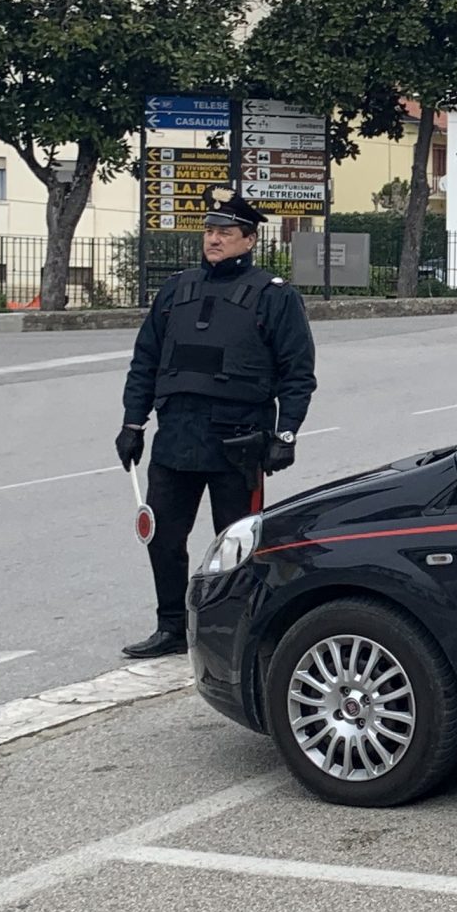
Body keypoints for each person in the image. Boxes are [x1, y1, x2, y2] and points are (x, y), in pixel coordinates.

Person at [116, 187, 317, 658]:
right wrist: (132, 424)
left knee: (239, 544)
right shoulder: (176, 289)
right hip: (177, 437)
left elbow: (297, 373)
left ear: (249, 239)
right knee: (163, 535)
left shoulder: (275, 296)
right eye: (209, 230)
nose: (213, 239)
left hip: (239, 441)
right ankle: (171, 627)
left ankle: (235, 632)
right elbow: (145, 361)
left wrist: (286, 434)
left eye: (225, 232)